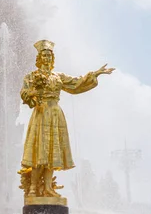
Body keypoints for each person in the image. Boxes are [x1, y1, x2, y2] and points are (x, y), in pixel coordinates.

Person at [19, 40, 114, 198]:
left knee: (52, 152)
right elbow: (24, 92)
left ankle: (49, 187)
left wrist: (95, 74)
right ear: (39, 58)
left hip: (56, 114)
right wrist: (33, 94)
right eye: (44, 55)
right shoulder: (31, 76)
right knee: (39, 152)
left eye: (50, 55)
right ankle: (33, 188)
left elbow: (76, 84)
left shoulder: (58, 76)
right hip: (41, 114)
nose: (47, 58)